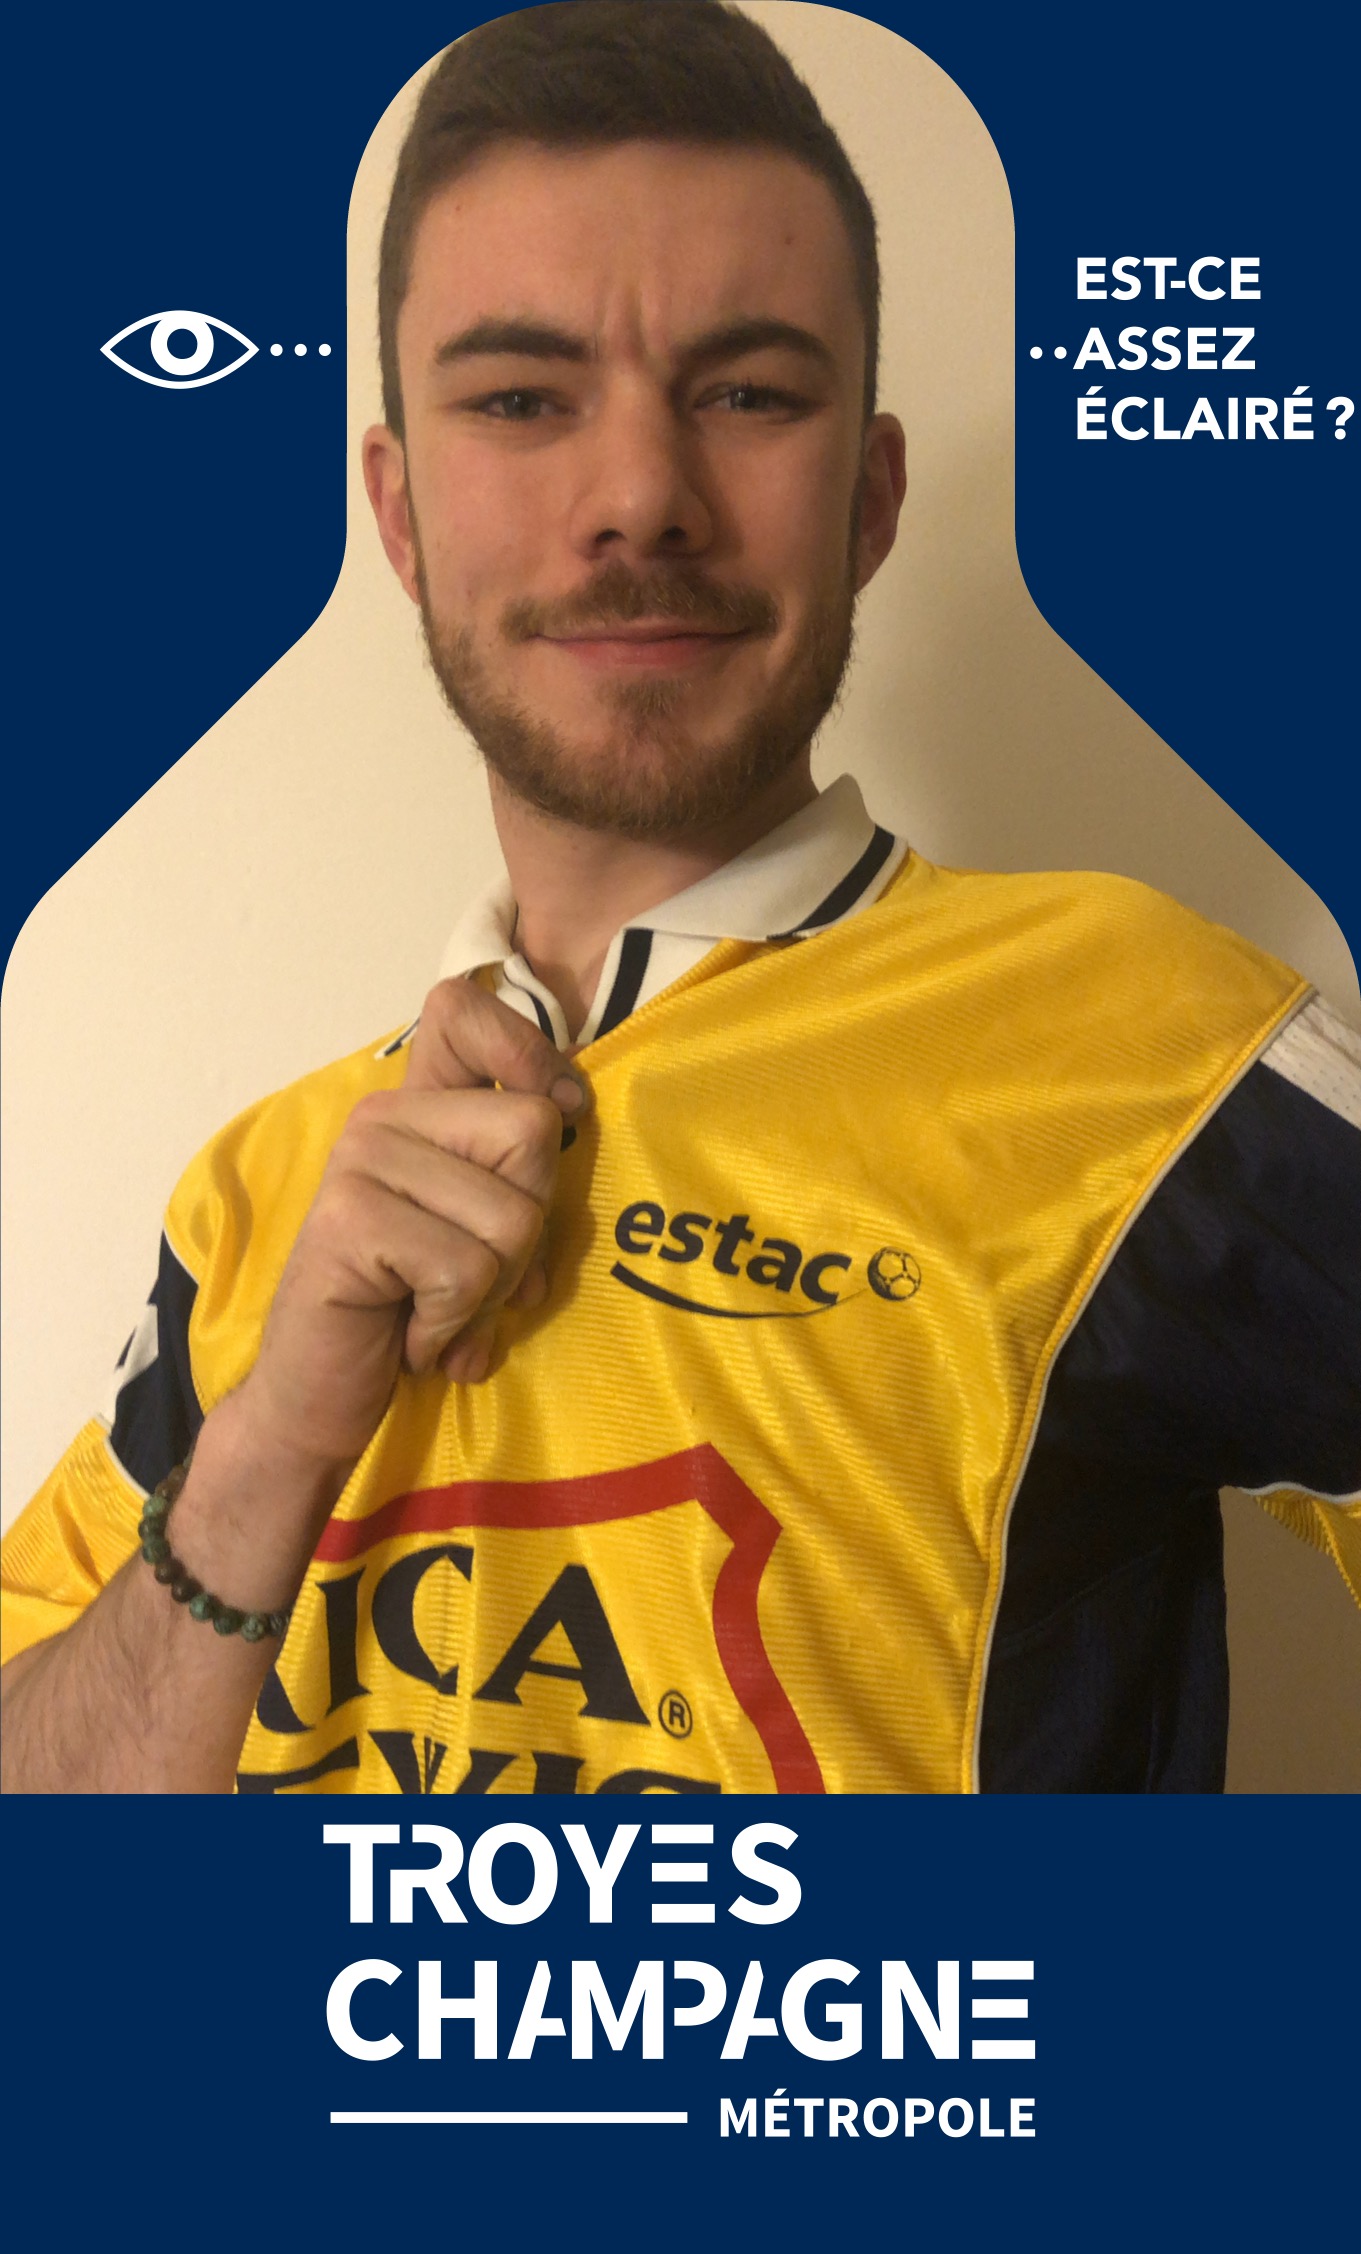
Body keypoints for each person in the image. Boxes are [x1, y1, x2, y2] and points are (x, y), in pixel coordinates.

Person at [2, 0, 1357, 1796]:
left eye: (746, 394)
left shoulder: (1147, 1046)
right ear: (397, 515)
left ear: (868, 498)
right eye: (519, 398)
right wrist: (270, 1445)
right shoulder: (257, 1195)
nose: (640, 496)